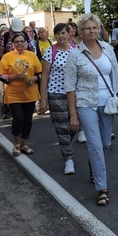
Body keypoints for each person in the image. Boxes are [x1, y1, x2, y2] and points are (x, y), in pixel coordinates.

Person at [65, 13, 118, 206]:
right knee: (95, 146)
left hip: (108, 103)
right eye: (88, 28)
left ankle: (93, 164)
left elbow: (117, 74)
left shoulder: (107, 49)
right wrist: (73, 115)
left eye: (95, 28)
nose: (92, 31)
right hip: (86, 104)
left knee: (104, 143)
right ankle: (102, 188)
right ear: (80, 30)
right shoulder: (75, 54)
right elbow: (70, 86)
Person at [40, 22, 77, 174]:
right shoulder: (50, 51)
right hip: (56, 94)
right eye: (58, 33)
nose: (61, 36)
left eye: (63, 33)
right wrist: (43, 100)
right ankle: (69, 159)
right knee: (62, 128)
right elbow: (44, 77)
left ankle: (66, 144)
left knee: (75, 126)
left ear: (70, 34)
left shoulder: (77, 50)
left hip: (75, 94)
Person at [0, 32, 42, 156]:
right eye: (17, 41)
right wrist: (14, 77)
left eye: (22, 41)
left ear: (26, 42)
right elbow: (1, 75)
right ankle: (16, 144)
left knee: (28, 120)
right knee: (18, 118)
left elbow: (39, 73)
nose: (19, 43)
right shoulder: (7, 57)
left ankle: (24, 144)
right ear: (12, 44)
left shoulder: (32, 55)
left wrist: (34, 79)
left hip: (30, 94)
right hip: (13, 94)